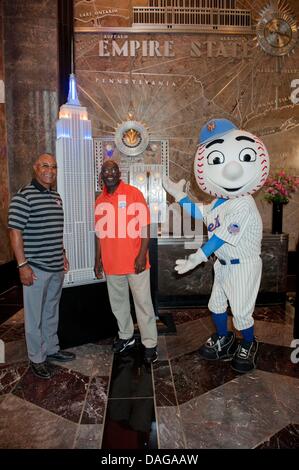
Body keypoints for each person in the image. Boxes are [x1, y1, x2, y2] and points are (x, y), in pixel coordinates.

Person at [163, 119, 270, 373]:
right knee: (216, 306)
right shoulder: (220, 201)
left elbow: (221, 236)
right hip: (222, 265)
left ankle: (249, 342)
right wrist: (180, 196)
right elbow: (201, 213)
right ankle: (225, 338)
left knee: (242, 313)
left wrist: (196, 257)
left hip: (243, 265)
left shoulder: (244, 203)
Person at [8, 153, 76, 379]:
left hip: (56, 266)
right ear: (35, 168)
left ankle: (52, 349)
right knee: (34, 316)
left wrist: (63, 253)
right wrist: (22, 265)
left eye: (54, 167)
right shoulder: (24, 196)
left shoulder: (56, 196)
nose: (50, 170)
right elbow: (15, 232)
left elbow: (55, 230)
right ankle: (37, 358)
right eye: (45, 166)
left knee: (50, 312)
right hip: (35, 268)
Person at [94, 160, 158, 364]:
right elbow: (99, 232)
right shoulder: (99, 200)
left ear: (119, 173)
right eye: (106, 170)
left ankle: (150, 344)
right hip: (112, 263)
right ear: (101, 175)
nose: (110, 173)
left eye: (113, 170)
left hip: (135, 263)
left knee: (143, 304)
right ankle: (126, 337)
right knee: (118, 304)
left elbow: (147, 226)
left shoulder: (133, 193)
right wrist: (98, 259)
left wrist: (141, 255)